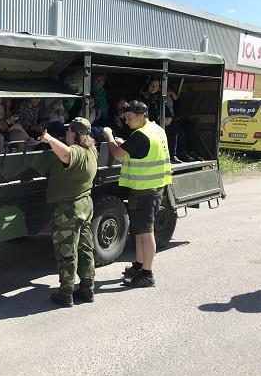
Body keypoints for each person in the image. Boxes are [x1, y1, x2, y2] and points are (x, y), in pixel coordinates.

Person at [102, 101, 172, 288]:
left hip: (146, 190)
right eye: (125, 118)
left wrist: (109, 136)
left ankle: (147, 274)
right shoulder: (156, 129)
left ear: (142, 115)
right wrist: (127, 144)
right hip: (153, 188)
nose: (127, 122)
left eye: (130, 118)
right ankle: (140, 265)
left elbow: (117, 154)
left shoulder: (140, 135)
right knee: (140, 230)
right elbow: (143, 151)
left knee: (146, 232)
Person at [38, 117, 98, 306]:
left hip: (69, 209)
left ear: (74, 133)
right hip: (86, 205)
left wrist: (48, 139)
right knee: (85, 249)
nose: (66, 134)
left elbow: (65, 156)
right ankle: (87, 290)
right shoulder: (92, 151)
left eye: (68, 131)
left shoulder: (77, 152)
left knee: (67, 252)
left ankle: (66, 293)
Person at [139, 78, 179, 163]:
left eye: (156, 86)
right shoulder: (142, 96)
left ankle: (172, 155)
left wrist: (169, 117)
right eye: (152, 85)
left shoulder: (159, 97)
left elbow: (166, 110)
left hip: (160, 121)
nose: (154, 88)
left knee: (174, 126)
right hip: (148, 122)